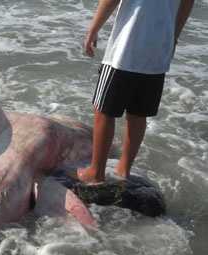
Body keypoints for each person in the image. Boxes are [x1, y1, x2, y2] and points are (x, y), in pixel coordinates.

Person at [77, 0, 195, 184]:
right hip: (157, 50)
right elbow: (187, 3)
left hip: (126, 48)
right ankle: (124, 170)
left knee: (103, 111)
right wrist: (174, 36)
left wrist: (93, 29)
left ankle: (96, 172)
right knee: (138, 114)